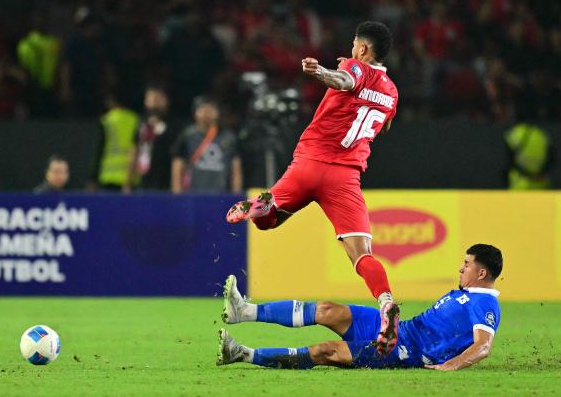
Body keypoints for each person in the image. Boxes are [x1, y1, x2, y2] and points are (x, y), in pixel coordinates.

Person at [226, 21, 400, 353]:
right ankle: (386, 301)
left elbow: (346, 79)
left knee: (270, 221)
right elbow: (379, 119)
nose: (351, 50)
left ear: (363, 49)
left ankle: (266, 205)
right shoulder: (391, 91)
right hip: (345, 177)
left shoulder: (355, 67)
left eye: (354, 45)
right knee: (361, 254)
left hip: (310, 163)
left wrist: (321, 71)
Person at [217, 244, 503, 371]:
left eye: (467, 264)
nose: (460, 268)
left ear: (481, 273)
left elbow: (483, 346)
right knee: (329, 309)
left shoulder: (486, 304)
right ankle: (244, 312)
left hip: (404, 352)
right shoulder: (468, 292)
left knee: (325, 351)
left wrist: (451, 366)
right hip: (400, 330)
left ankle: (243, 355)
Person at [171, 96, 242, 194]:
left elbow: (236, 170)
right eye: (203, 108)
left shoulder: (229, 137)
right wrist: (177, 196)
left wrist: (236, 197)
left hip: (221, 196)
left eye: (211, 108)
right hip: (193, 195)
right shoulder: (187, 136)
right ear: (195, 112)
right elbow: (177, 166)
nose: (207, 112)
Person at [124, 85, 174, 192]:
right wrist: (127, 183)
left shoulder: (174, 126)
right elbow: (134, 152)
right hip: (143, 184)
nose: (155, 102)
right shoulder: (141, 125)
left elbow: (179, 159)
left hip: (166, 186)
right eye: (151, 98)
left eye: (159, 98)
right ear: (146, 101)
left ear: (166, 101)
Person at [90, 91, 140, 192]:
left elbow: (99, 150)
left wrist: (92, 178)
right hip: (131, 177)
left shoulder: (106, 120)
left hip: (108, 176)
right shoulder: (136, 120)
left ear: (110, 102)